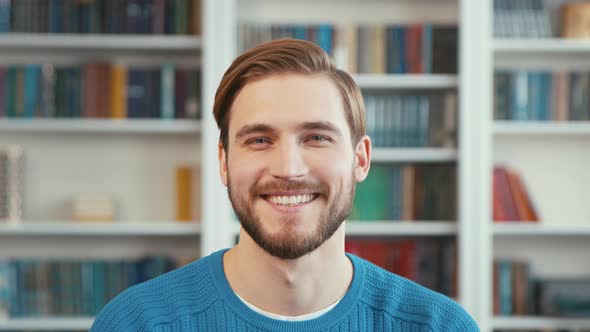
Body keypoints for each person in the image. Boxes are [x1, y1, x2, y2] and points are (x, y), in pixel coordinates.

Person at [90, 38, 479, 331]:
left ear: (360, 159)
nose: (288, 169)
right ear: (224, 161)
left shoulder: (438, 326)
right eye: (259, 140)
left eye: (316, 138)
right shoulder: (137, 323)